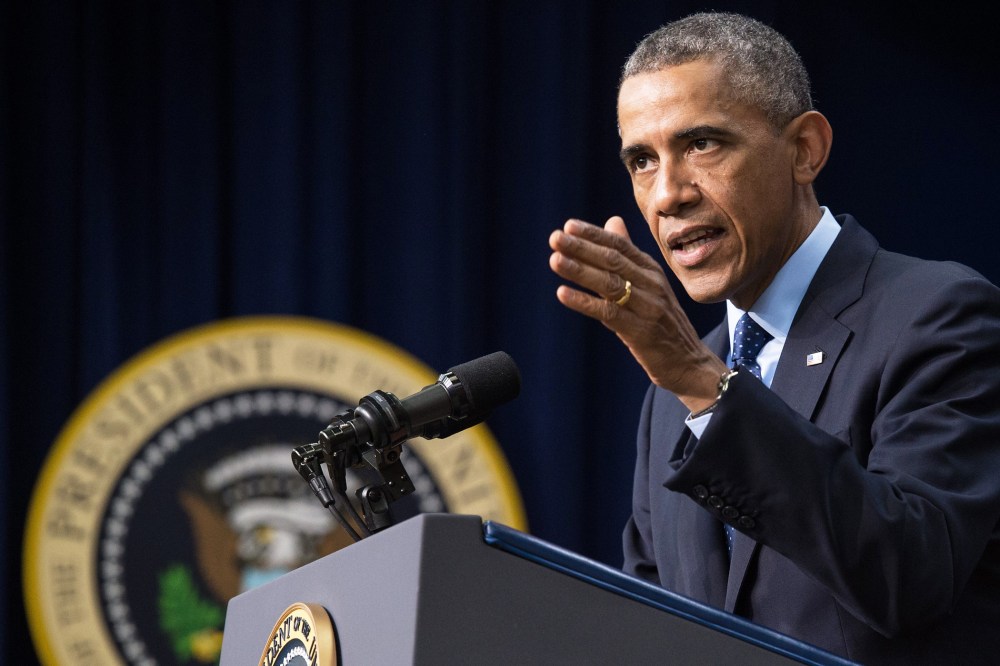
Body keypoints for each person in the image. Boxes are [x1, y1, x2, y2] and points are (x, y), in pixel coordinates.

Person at [548, 11, 1000, 664]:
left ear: (804, 150)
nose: (668, 193)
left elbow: (910, 577)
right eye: (642, 160)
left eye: (702, 144)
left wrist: (701, 382)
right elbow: (651, 626)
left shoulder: (941, 317)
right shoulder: (674, 391)